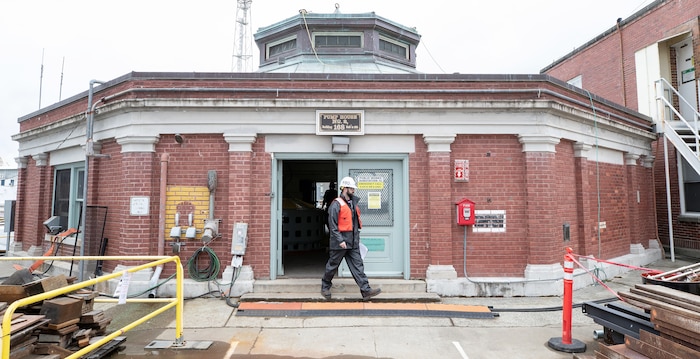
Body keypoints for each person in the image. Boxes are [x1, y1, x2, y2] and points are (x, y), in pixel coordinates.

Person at [321, 176, 381, 301]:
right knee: (332, 266)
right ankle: (325, 286)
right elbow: (333, 225)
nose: (354, 190)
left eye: (353, 188)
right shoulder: (336, 204)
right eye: (352, 188)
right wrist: (340, 240)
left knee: (358, 266)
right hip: (340, 243)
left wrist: (356, 240)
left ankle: (366, 290)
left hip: (352, 242)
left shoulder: (353, 203)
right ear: (344, 188)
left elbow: (353, 224)